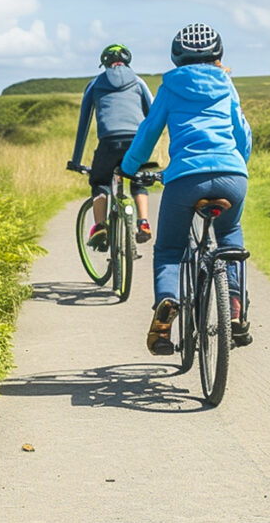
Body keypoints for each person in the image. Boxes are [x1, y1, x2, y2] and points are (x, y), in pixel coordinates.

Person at [120, 23, 252, 355]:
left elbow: (149, 131)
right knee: (230, 234)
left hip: (184, 178)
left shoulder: (169, 86)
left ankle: (167, 305)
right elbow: (242, 131)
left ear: (176, 57)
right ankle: (234, 307)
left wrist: (129, 166)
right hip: (232, 175)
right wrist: (239, 162)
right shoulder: (227, 83)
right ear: (218, 55)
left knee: (169, 250)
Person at [67, 44, 155, 250]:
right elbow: (153, 114)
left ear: (104, 63)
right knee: (138, 179)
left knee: (99, 181)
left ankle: (100, 227)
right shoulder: (139, 82)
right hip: (136, 141)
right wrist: (147, 145)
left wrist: (76, 160)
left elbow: (84, 124)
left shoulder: (95, 83)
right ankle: (143, 222)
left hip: (108, 142)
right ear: (128, 61)